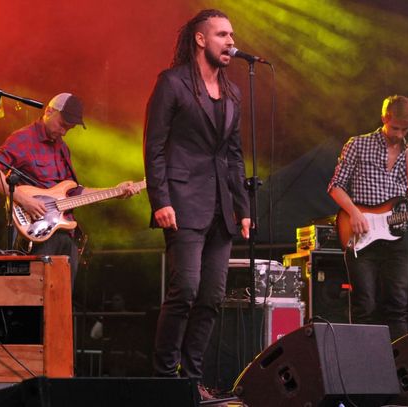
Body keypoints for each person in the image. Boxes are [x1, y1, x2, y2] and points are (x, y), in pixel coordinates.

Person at [143, 8, 250, 400]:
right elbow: (154, 146)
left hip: (222, 207)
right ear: (200, 39)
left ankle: (191, 379)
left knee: (211, 297)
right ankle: (163, 380)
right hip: (182, 201)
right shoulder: (172, 83)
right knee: (185, 290)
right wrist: (160, 199)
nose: (230, 42)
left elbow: (234, 156)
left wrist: (244, 208)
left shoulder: (233, 92)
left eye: (232, 35)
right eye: (222, 34)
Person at [0, 93, 138, 284]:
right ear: (49, 111)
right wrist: (23, 199)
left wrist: (115, 191)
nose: (64, 132)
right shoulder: (24, 138)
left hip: (65, 234)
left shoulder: (62, 148)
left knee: (63, 297)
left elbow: (75, 192)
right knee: (39, 295)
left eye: (68, 128)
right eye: (62, 124)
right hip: (37, 231)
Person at [328, 95, 408, 341]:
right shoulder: (358, 144)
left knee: (398, 305)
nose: (399, 134)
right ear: (384, 118)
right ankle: (363, 357)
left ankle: (398, 359)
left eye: (405, 130)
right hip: (361, 235)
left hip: (396, 238)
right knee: (365, 305)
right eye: (395, 128)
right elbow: (335, 186)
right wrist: (354, 212)